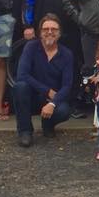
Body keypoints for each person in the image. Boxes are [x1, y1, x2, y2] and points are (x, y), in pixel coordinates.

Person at [14, 14, 75, 147]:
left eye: (54, 29)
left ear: (60, 33)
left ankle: (47, 124)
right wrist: (47, 91)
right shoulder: (31, 47)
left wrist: (52, 103)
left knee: (64, 111)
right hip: (33, 96)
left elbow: (67, 85)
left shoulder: (67, 54)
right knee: (20, 87)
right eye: (46, 29)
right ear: (40, 32)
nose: (50, 32)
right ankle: (25, 131)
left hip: (52, 99)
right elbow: (22, 75)